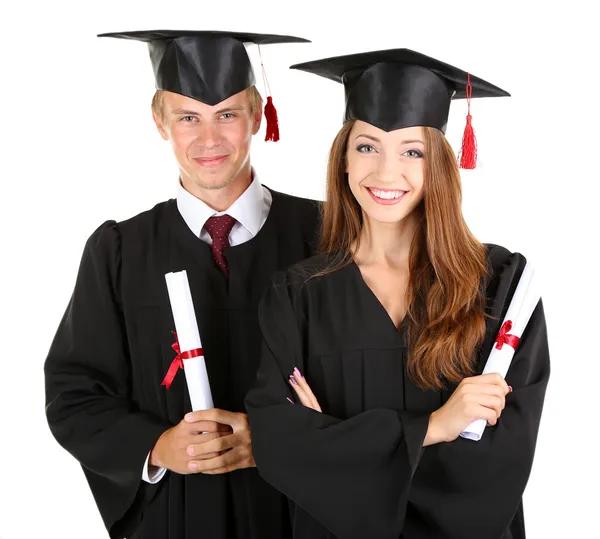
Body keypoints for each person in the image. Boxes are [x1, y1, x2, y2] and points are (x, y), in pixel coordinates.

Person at [246, 48, 550, 539]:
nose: (387, 173)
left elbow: (500, 465)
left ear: (440, 166)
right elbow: (280, 444)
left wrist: (338, 444)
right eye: (367, 147)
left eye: (413, 151)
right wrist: (435, 426)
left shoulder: (499, 285)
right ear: (343, 160)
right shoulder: (298, 295)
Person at [44, 30, 319, 539]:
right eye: (187, 117)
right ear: (159, 121)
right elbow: (76, 394)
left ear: (258, 115)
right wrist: (158, 446)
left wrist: (281, 438)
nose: (209, 140)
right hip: (177, 517)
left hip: (301, 514)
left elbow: (376, 387)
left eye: (228, 115)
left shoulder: (328, 239)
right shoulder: (119, 251)